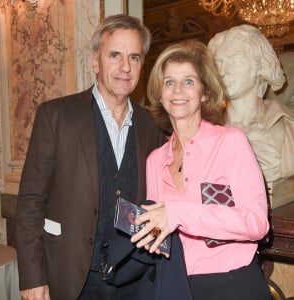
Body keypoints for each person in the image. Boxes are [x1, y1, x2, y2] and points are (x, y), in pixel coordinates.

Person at [16, 14, 165, 300]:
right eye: (115, 55)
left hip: (134, 279)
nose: (125, 67)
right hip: (73, 279)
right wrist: (32, 278)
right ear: (95, 62)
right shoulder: (56, 116)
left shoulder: (150, 126)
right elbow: (30, 202)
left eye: (134, 57)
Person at [130, 41, 271, 299]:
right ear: (160, 95)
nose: (178, 90)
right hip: (176, 286)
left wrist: (178, 213)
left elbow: (257, 223)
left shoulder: (231, 141)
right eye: (169, 82)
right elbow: (161, 232)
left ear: (204, 93)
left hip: (234, 284)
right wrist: (143, 230)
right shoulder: (155, 160)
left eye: (188, 81)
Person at [208, 24, 294, 186]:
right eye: (218, 63)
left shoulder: (289, 125)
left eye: (234, 59)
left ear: (259, 64)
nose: (223, 71)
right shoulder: (206, 132)